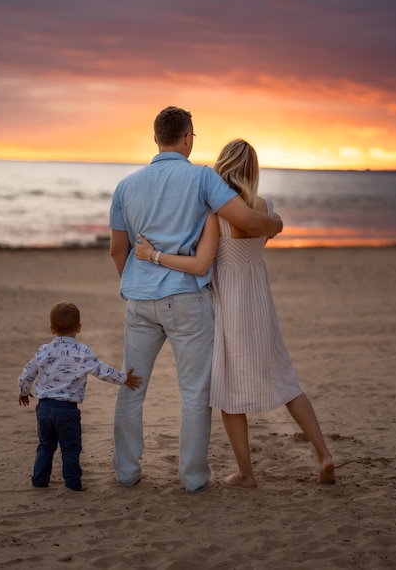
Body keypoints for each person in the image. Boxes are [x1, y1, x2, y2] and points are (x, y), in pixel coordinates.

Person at [134, 138, 335, 488]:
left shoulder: (215, 211)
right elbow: (263, 232)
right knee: (287, 381)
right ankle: (323, 454)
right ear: (252, 170)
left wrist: (153, 254)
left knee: (228, 391)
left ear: (222, 166)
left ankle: (246, 473)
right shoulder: (265, 207)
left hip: (228, 305)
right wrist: (277, 223)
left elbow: (202, 264)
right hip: (260, 303)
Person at [109, 106, 283, 493]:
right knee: (194, 393)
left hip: (139, 303)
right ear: (187, 138)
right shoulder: (202, 177)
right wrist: (276, 224)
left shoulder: (126, 186)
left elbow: (117, 250)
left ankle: (126, 471)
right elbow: (249, 221)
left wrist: (136, 284)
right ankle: (192, 477)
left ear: (156, 138)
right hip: (185, 300)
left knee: (131, 385)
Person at [18, 301, 142, 492]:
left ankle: (40, 481)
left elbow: (27, 373)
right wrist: (124, 378)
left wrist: (24, 391)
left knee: (45, 445)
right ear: (79, 327)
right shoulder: (82, 352)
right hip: (67, 410)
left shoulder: (43, 350)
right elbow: (102, 371)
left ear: (51, 329)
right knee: (70, 448)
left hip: (44, 408)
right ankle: (73, 484)